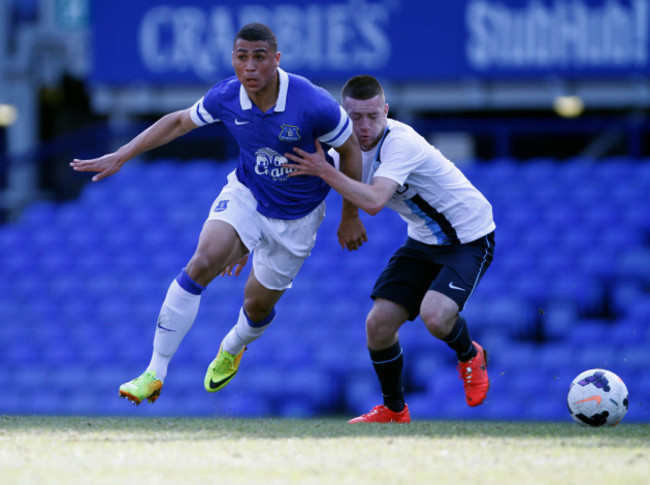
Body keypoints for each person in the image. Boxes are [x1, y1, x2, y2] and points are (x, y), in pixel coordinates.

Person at [70, 23, 367, 406]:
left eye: (260, 57)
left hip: (297, 217)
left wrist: (350, 216)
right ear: (233, 60)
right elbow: (178, 122)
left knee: (256, 305)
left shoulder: (312, 102)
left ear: (276, 60)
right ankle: (154, 372)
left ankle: (232, 346)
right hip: (247, 194)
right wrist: (122, 154)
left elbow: (352, 150)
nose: (250, 67)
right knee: (203, 261)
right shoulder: (227, 96)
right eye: (242, 57)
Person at [283, 75, 496, 423]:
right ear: (343, 114)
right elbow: (328, 182)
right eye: (355, 118)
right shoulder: (342, 147)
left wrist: (325, 172)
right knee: (378, 325)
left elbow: (375, 201)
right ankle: (395, 411)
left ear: (385, 111)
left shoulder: (401, 143)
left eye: (372, 116)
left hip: (469, 236)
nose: (365, 126)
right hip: (424, 239)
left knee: (436, 315)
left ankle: (470, 353)